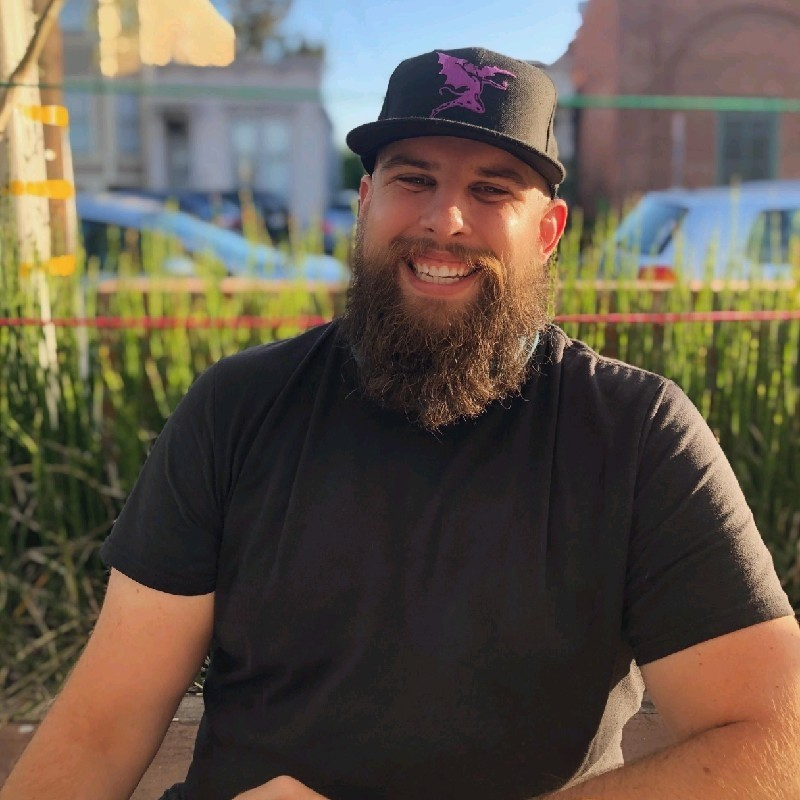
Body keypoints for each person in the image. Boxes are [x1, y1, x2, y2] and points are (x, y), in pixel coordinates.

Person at [3, 46, 800, 800]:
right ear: (366, 204)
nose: (445, 219)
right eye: (413, 179)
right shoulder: (238, 407)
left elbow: (776, 739)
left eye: (492, 189)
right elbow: (102, 728)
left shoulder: (634, 435)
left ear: (547, 232)